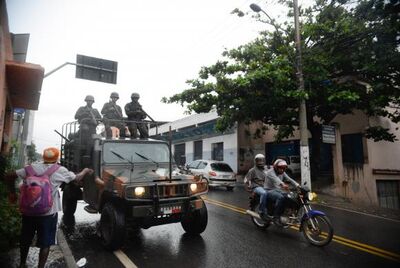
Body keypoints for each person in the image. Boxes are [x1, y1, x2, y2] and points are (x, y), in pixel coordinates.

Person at [6, 147, 93, 268]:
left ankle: (22, 263)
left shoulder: (31, 168)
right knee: (45, 243)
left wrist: (12, 193)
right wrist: (85, 171)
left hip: (28, 213)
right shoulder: (60, 170)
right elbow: (77, 178)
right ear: (56, 158)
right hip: (48, 213)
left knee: (25, 239)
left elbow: (9, 175)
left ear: (43, 156)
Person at [265, 158, 300, 226]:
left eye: (283, 168)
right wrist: (283, 184)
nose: (282, 170)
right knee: (281, 197)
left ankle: (287, 212)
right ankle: (276, 216)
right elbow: (276, 180)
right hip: (269, 190)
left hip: (278, 190)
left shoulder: (282, 172)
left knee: (291, 196)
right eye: (280, 168)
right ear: (276, 167)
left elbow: (289, 179)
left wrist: (297, 185)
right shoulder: (270, 172)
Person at [244, 154, 270, 220]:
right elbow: (246, 180)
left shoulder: (266, 169)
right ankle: (261, 211)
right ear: (256, 161)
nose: (261, 162)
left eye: (262, 160)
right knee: (264, 193)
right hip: (256, 187)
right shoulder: (252, 170)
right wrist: (248, 188)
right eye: (259, 161)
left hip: (265, 186)